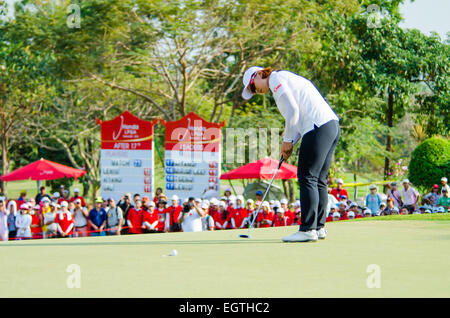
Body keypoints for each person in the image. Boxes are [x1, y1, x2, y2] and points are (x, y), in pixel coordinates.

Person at [242, 66, 340, 242]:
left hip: (317, 126)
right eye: (253, 91)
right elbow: (296, 122)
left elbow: (293, 112)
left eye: (253, 87)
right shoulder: (285, 78)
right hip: (330, 125)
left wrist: (287, 141)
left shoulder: (275, 79)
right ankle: (318, 228)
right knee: (318, 179)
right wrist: (290, 143)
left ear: (257, 75)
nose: (257, 91)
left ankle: (308, 229)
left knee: (307, 177)